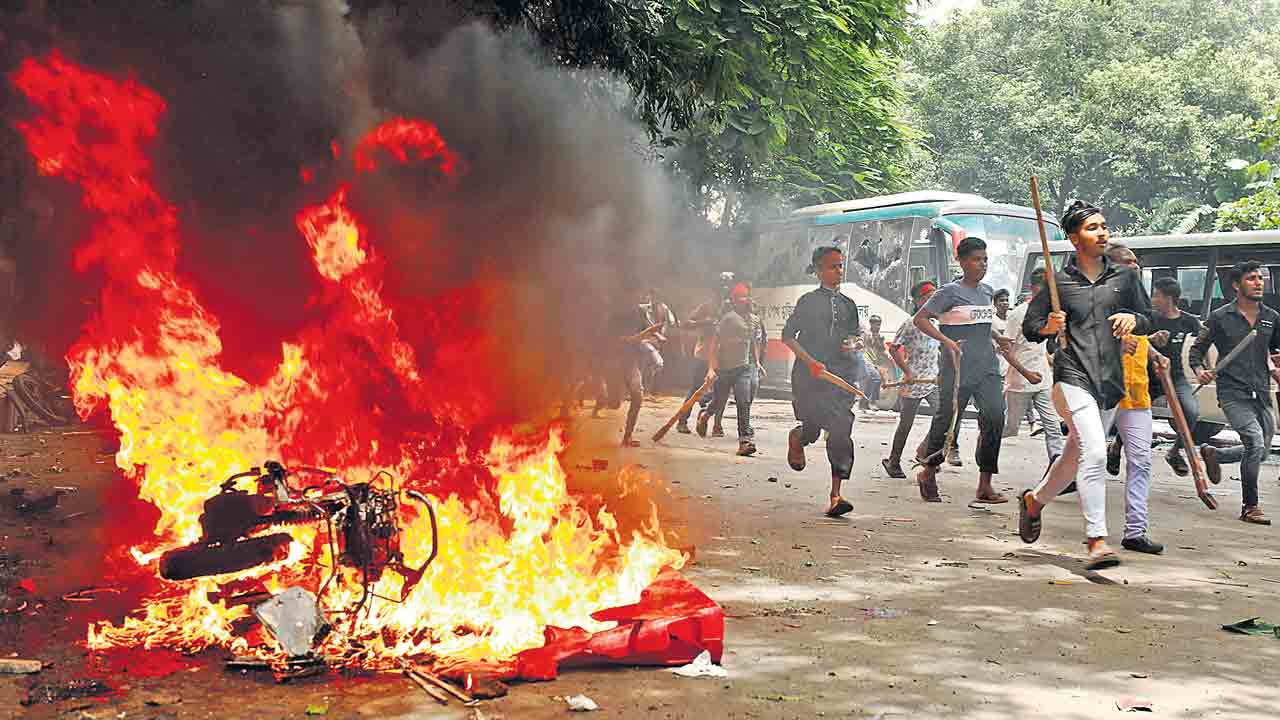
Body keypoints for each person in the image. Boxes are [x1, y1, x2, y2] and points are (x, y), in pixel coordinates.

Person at [1018, 200, 1151, 570]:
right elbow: (1031, 327)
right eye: (1093, 227)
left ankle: (1034, 502)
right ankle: (1096, 540)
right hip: (1071, 376)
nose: (1103, 232)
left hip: (1109, 380)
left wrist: (1132, 317)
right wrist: (1049, 325)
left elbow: (1148, 316)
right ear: (1074, 238)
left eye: (1104, 225)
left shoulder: (1124, 279)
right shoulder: (1056, 282)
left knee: (1075, 453)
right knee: (1094, 451)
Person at [912, 236, 1010, 504]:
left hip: (987, 365)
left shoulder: (988, 291)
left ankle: (985, 484)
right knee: (946, 419)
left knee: (994, 417)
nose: (982, 264)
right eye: (977, 259)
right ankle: (929, 472)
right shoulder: (948, 292)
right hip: (956, 367)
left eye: (985, 259)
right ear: (962, 261)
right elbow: (919, 319)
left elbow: (979, 323)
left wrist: (997, 337)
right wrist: (945, 341)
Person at [1190, 260, 1280, 526]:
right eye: (1251, 278)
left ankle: (1214, 455)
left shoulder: (1271, 318)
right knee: (1254, 442)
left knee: (1262, 451)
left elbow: (1275, 352)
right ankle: (1250, 506)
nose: (1258, 282)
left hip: (1261, 392)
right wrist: (1199, 371)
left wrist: (1276, 368)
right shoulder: (1220, 317)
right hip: (1232, 392)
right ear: (1236, 285)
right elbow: (1196, 350)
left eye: (1260, 278)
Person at [782, 246, 861, 517]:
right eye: (831, 266)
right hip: (809, 377)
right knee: (813, 430)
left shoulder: (849, 305)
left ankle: (836, 495)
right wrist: (810, 362)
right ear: (818, 270)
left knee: (840, 430)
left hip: (839, 377)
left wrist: (853, 345)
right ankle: (799, 437)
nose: (838, 271)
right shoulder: (807, 301)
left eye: (840, 266)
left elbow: (854, 337)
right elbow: (788, 336)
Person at [1103, 244, 1167, 554]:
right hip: (1102, 389)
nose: (1136, 267)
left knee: (1141, 460)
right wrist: (1116, 342)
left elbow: (1141, 335)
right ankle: (1039, 499)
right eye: (1129, 263)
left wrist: (1155, 354)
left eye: (1136, 262)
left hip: (1137, 391)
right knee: (1085, 457)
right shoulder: (1096, 296)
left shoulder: (1138, 302)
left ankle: (1135, 531)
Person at [1003, 268, 1064, 462]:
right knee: (1010, 428)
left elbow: (1040, 346)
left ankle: (1056, 463)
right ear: (1033, 288)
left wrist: (1050, 360)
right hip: (1020, 381)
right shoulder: (1017, 315)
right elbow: (1007, 349)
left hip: (1044, 379)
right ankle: (988, 438)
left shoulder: (1051, 314)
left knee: (1053, 425)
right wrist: (1027, 373)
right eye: (1043, 289)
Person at [881, 280, 941, 479]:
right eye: (929, 296)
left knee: (944, 417)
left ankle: (926, 451)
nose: (935, 299)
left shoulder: (936, 322)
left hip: (932, 382)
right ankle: (893, 461)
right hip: (913, 383)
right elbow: (894, 348)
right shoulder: (911, 323)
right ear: (919, 301)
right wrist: (906, 372)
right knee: (905, 424)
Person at [1148, 277, 1204, 476]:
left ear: (1169, 298)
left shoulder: (1188, 320)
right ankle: (1116, 447)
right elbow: (1135, 340)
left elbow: (1204, 343)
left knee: (1191, 411)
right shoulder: (1149, 318)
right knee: (1133, 414)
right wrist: (1151, 339)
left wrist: (1205, 368)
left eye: (1156, 296)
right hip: (1149, 377)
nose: (1153, 299)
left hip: (1176, 376)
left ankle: (1174, 452)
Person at [698, 283, 758, 456]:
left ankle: (745, 441)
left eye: (747, 297)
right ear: (734, 301)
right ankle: (705, 415)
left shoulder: (753, 319)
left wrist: (756, 362)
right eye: (741, 297)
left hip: (743, 369)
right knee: (718, 402)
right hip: (725, 369)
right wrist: (711, 368)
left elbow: (752, 341)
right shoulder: (728, 318)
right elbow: (714, 343)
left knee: (743, 402)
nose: (745, 300)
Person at [675, 283, 728, 434]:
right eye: (720, 291)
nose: (722, 295)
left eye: (725, 291)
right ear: (714, 292)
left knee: (722, 390)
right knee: (696, 388)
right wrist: (705, 322)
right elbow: (686, 324)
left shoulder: (730, 309)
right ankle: (682, 421)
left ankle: (714, 422)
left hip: (723, 357)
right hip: (704, 354)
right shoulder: (706, 307)